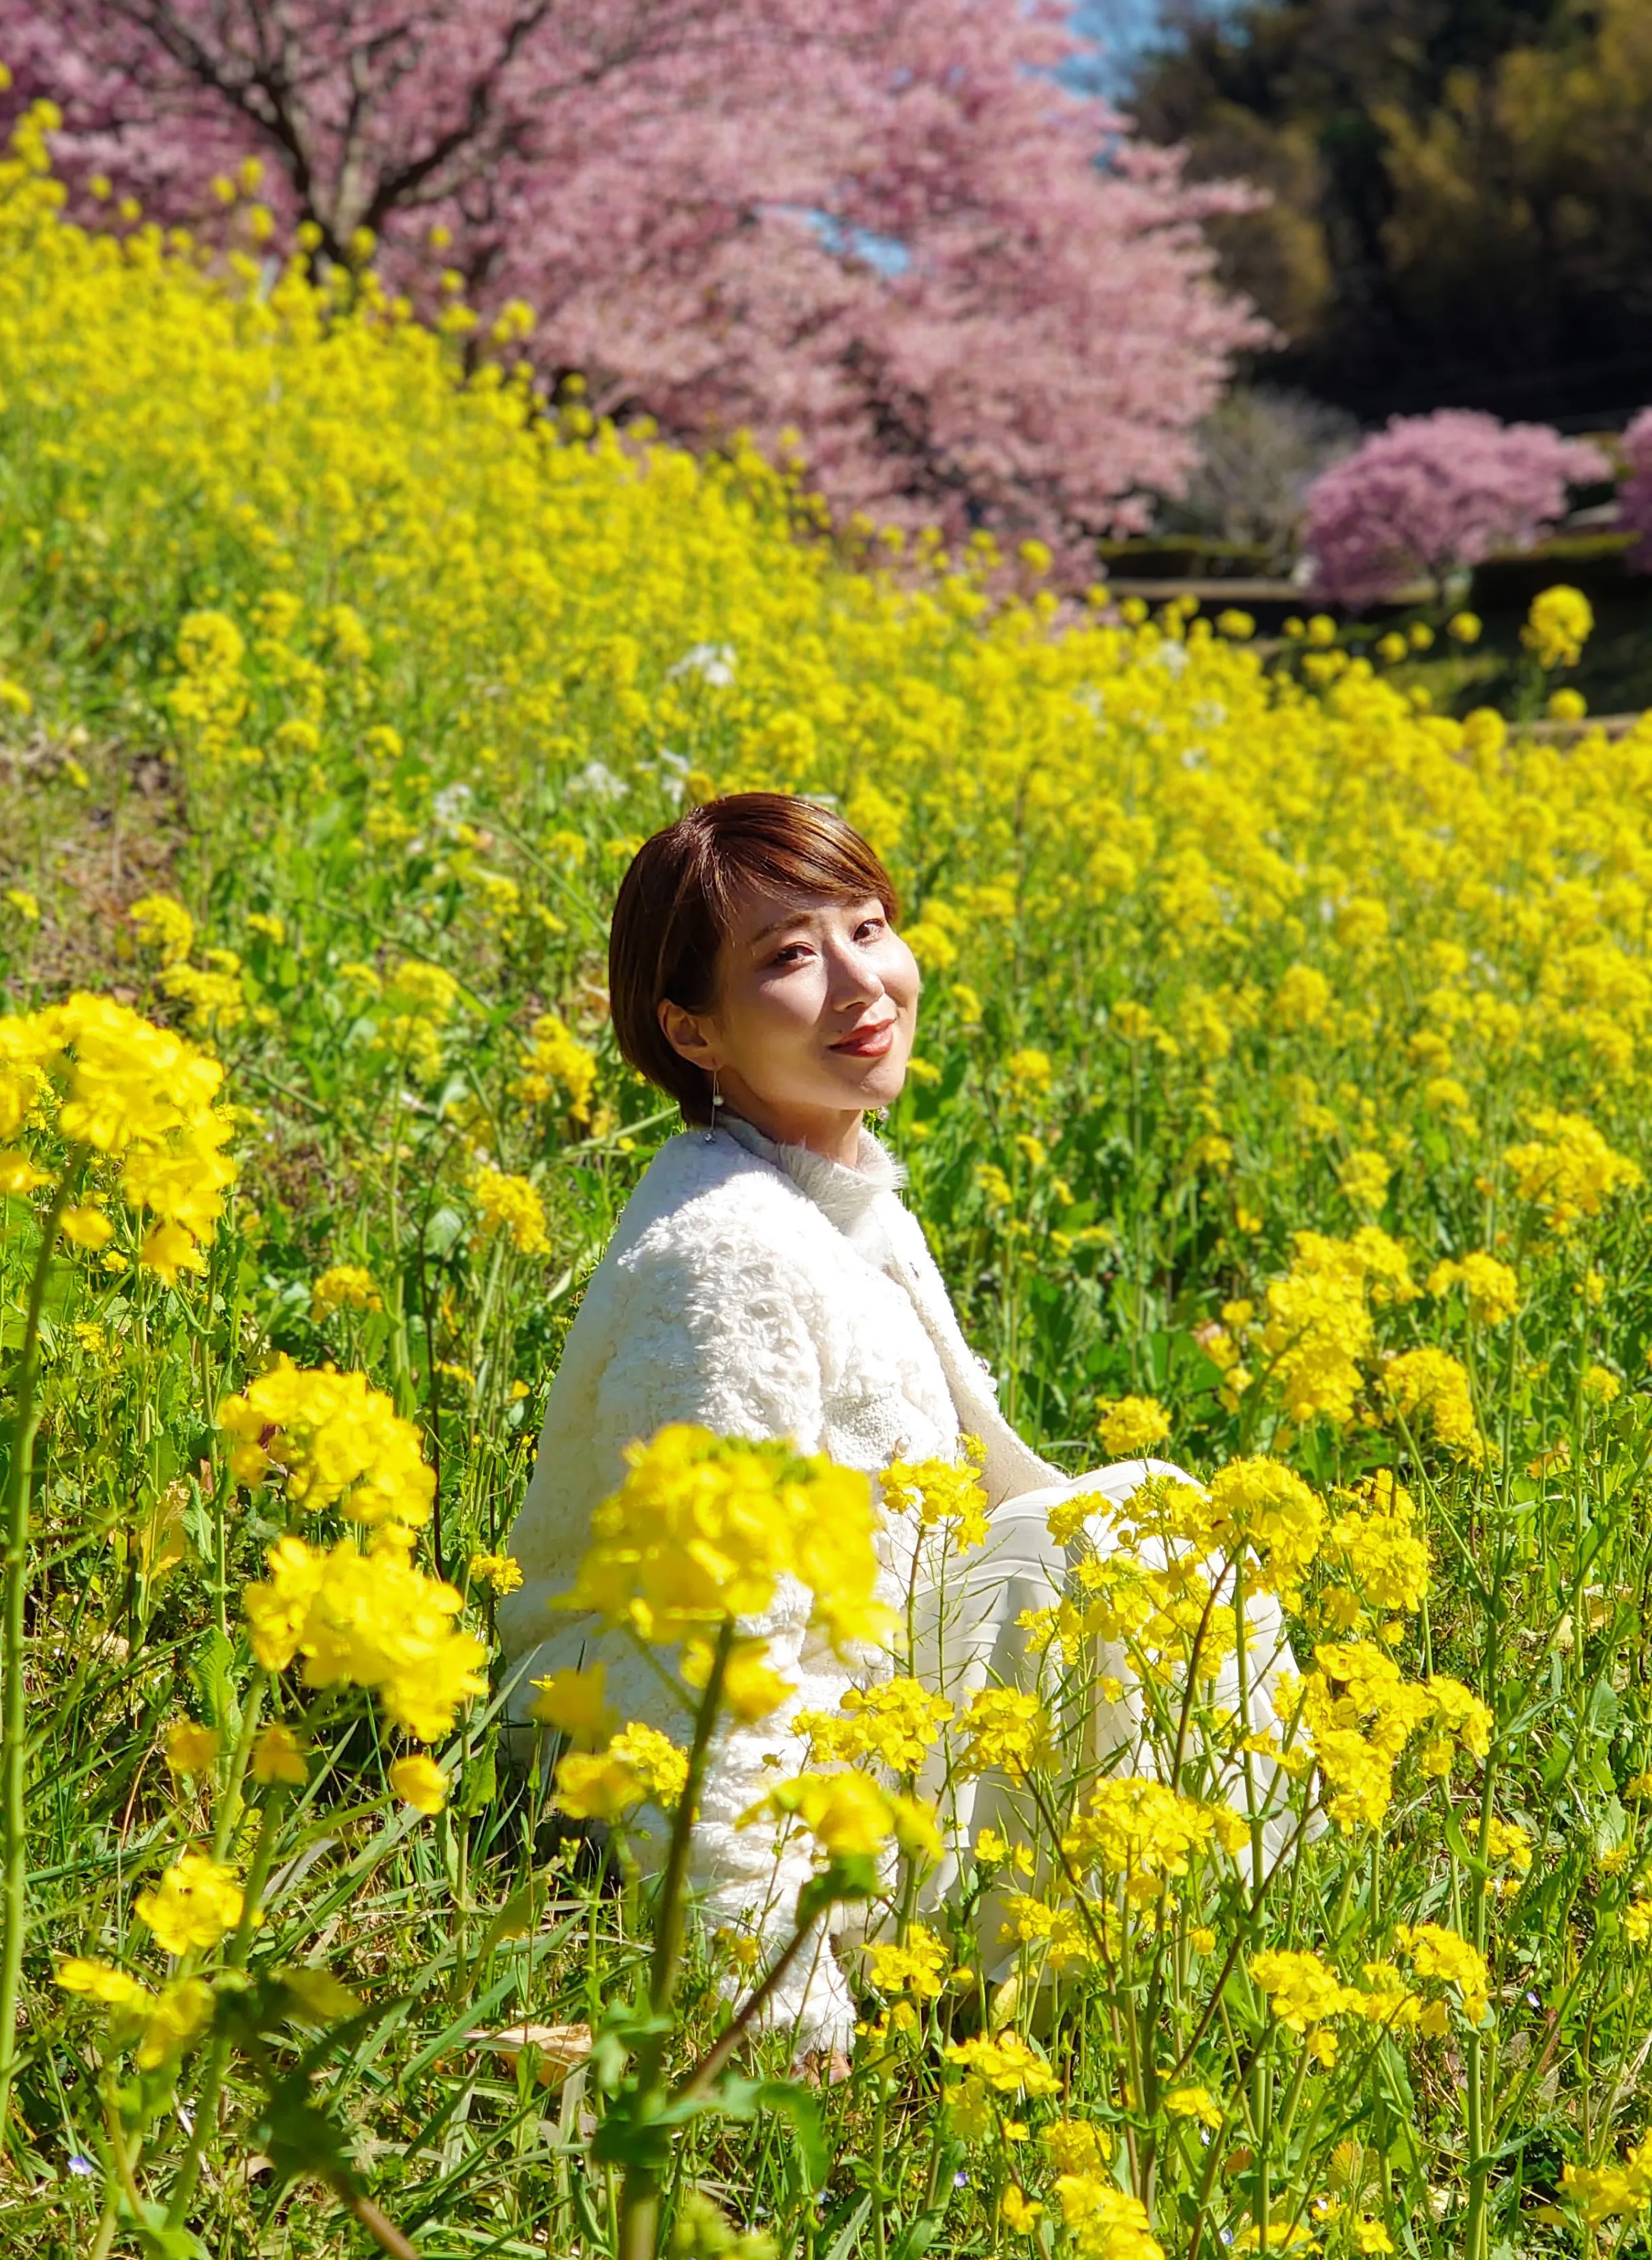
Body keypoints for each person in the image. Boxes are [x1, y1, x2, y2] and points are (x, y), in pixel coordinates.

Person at [498, 792, 1292, 2054]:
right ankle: (1151, 1995)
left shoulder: (836, 1195)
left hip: (856, 1711)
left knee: (1143, 1533)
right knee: (1123, 1548)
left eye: (867, 927)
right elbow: (702, 1657)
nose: (860, 980)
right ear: (690, 1030)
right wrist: (774, 1993)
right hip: (658, 1778)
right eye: (789, 958)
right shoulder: (732, 1258)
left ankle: (1197, 1968)